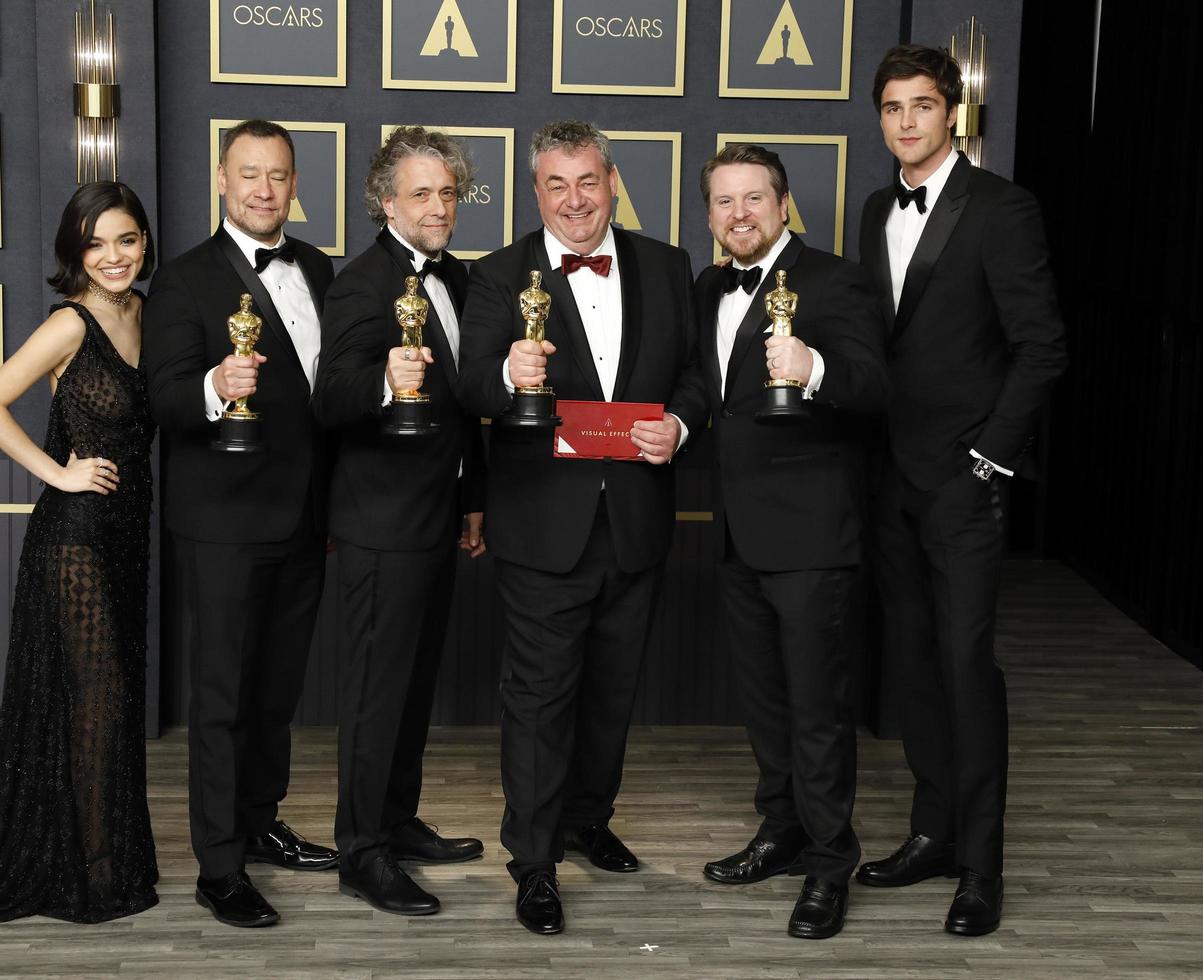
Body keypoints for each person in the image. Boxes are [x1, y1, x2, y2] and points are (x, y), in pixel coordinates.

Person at [456, 119, 707, 935]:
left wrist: (679, 423)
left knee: (610, 692)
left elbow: (697, 376)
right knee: (538, 699)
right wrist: (505, 372)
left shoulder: (668, 266)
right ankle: (533, 863)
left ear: (612, 183)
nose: (574, 200)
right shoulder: (496, 276)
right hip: (543, 526)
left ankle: (587, 818)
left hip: (635, 517)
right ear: (536, 192)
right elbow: (471, 388)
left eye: (587, 182)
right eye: (556, 185)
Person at [856, 45, 1069, 936]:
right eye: (893, 108)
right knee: (911, 669)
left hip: (964, 485)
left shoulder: (1003, 208)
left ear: (954, 114)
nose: (907, 121)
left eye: (922, 106)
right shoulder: (874, 209)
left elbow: (1042, 347)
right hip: (889, 482)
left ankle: (982, 867)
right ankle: (933, 831)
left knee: (965, 670)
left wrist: (989, 460)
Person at [0, 181, 160, 923]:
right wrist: (60, 473)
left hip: (129, 536)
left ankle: (102, 853)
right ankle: (90, 869)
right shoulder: (70, 326)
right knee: (99, 697)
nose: (114, 257)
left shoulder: (147, 313)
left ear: (144, 242)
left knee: (112, 704)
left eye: (127, 239)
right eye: (96, 243)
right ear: (73, 251)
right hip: (74, 538)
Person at [141, 119, 338, 928]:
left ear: (295, 185)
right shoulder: (183, 282)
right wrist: (217, 386)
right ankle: (218, 866)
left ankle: (260, 822)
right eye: (250, 174)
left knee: (276, 692)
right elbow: (162, 400)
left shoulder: (321, 268)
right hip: (220, 522)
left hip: (305, 516)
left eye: (279, 175)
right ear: (223, 181)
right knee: (221, 697)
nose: (264, 189)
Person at [693, 145, 889, 940]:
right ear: (708, 214)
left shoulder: (837, 280)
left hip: (812, 537)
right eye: (724, 201)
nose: (739, 214)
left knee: (817, 710)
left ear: (783, 205)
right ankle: (782, 829)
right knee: (767, 705)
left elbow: (877, 390)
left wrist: (813, 366)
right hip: (737, 531)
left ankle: (830, 864)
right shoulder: (706, 286)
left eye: (753, 199)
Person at [312, 127, 488, 917]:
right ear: (385, 202)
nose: (439, 206)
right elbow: (330, 396)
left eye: (448, 192)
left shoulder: (463, 278)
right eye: (421, 193)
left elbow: (466, 410)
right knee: (377, 693)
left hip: (438, 515)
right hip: (380, 523)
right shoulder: (359, 283)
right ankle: (361, 851)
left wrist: (473, 498)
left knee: (414, 685)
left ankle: (396, 818)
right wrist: (384, 378)